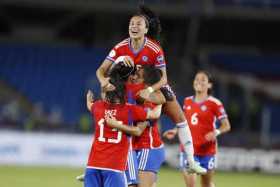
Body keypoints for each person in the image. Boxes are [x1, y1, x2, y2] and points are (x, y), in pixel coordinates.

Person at [96, 5, 206, 175]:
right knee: (108, 116)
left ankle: (191, 161)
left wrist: (149, 90)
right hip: (129, 88)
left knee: (180, 118)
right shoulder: (120, 47)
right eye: (131, 24)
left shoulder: (154, 49)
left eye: (138, 24)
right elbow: (101, 71)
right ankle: (99, 163)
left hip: (153, 87)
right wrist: (104, 81)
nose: (134, 26)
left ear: (146, 29)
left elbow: (164, 78)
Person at [84, 73, 162, 187]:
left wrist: (88, 100)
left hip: (93, 166)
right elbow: (155, 114)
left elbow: (90, 106)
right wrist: (159, 104)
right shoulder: (129, 110)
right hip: (113, 167)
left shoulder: (98, 107)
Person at [164, 70, 231, 187]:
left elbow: (226, 125)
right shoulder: (187, 101)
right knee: (190, 185)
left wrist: (216, 132)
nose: (199, 82)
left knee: (206, 184)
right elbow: (184, 121)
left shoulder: (215, 103)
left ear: (209, 84)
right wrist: (175, 130)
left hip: (207, 150)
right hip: (188, 149)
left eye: (203, 80)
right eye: (197, 79)